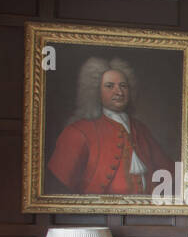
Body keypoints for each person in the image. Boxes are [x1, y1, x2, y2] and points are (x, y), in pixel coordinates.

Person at [46, 56, 173, 196]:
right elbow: (60, 185)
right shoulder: (78, 131)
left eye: (123, 86)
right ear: (95, 91)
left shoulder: (141, 129)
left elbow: (167, 169)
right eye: (109, 86)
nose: (119, 92)